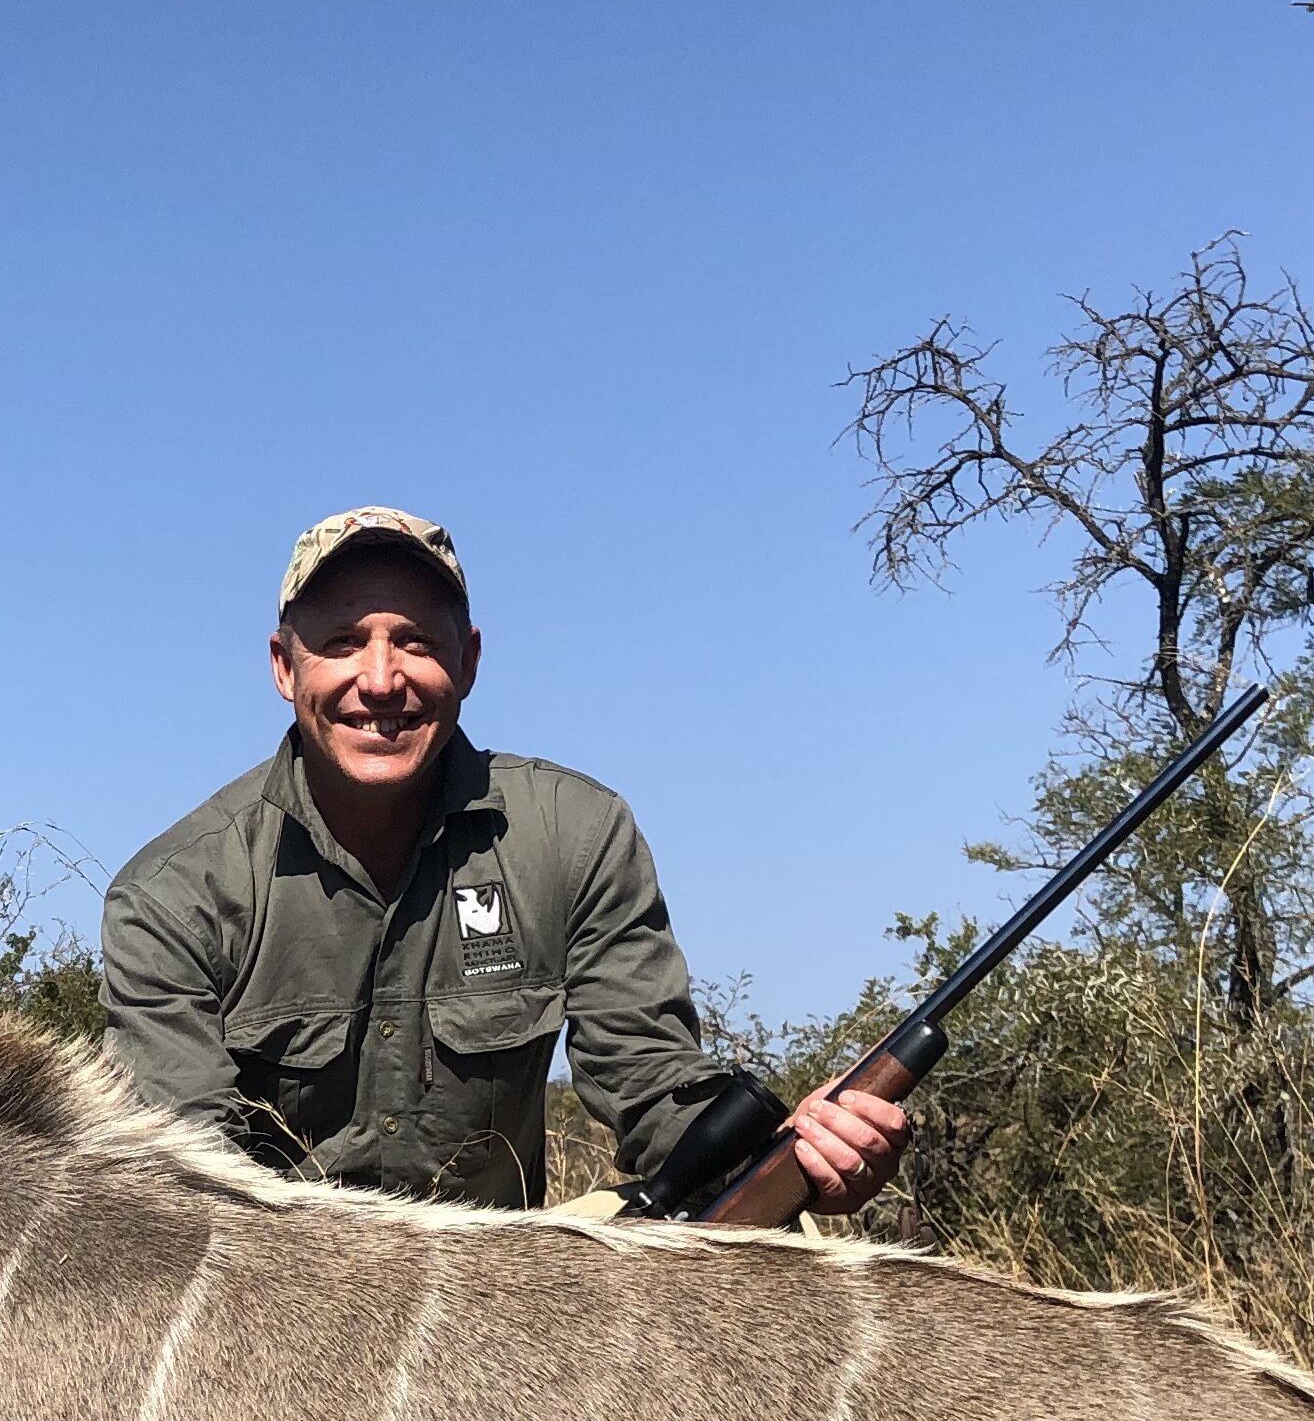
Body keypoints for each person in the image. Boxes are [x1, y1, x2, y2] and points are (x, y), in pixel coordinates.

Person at [102, 505, 907, 1214]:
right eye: (343, 642)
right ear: (285, 666)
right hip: (284, 1307)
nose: (379, 681)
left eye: (414, 641)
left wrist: (794, 1155)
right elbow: (184, 1190)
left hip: (502, 1305)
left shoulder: (575, 832)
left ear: (469, 661)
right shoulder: (170, 894)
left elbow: (651, 1084)